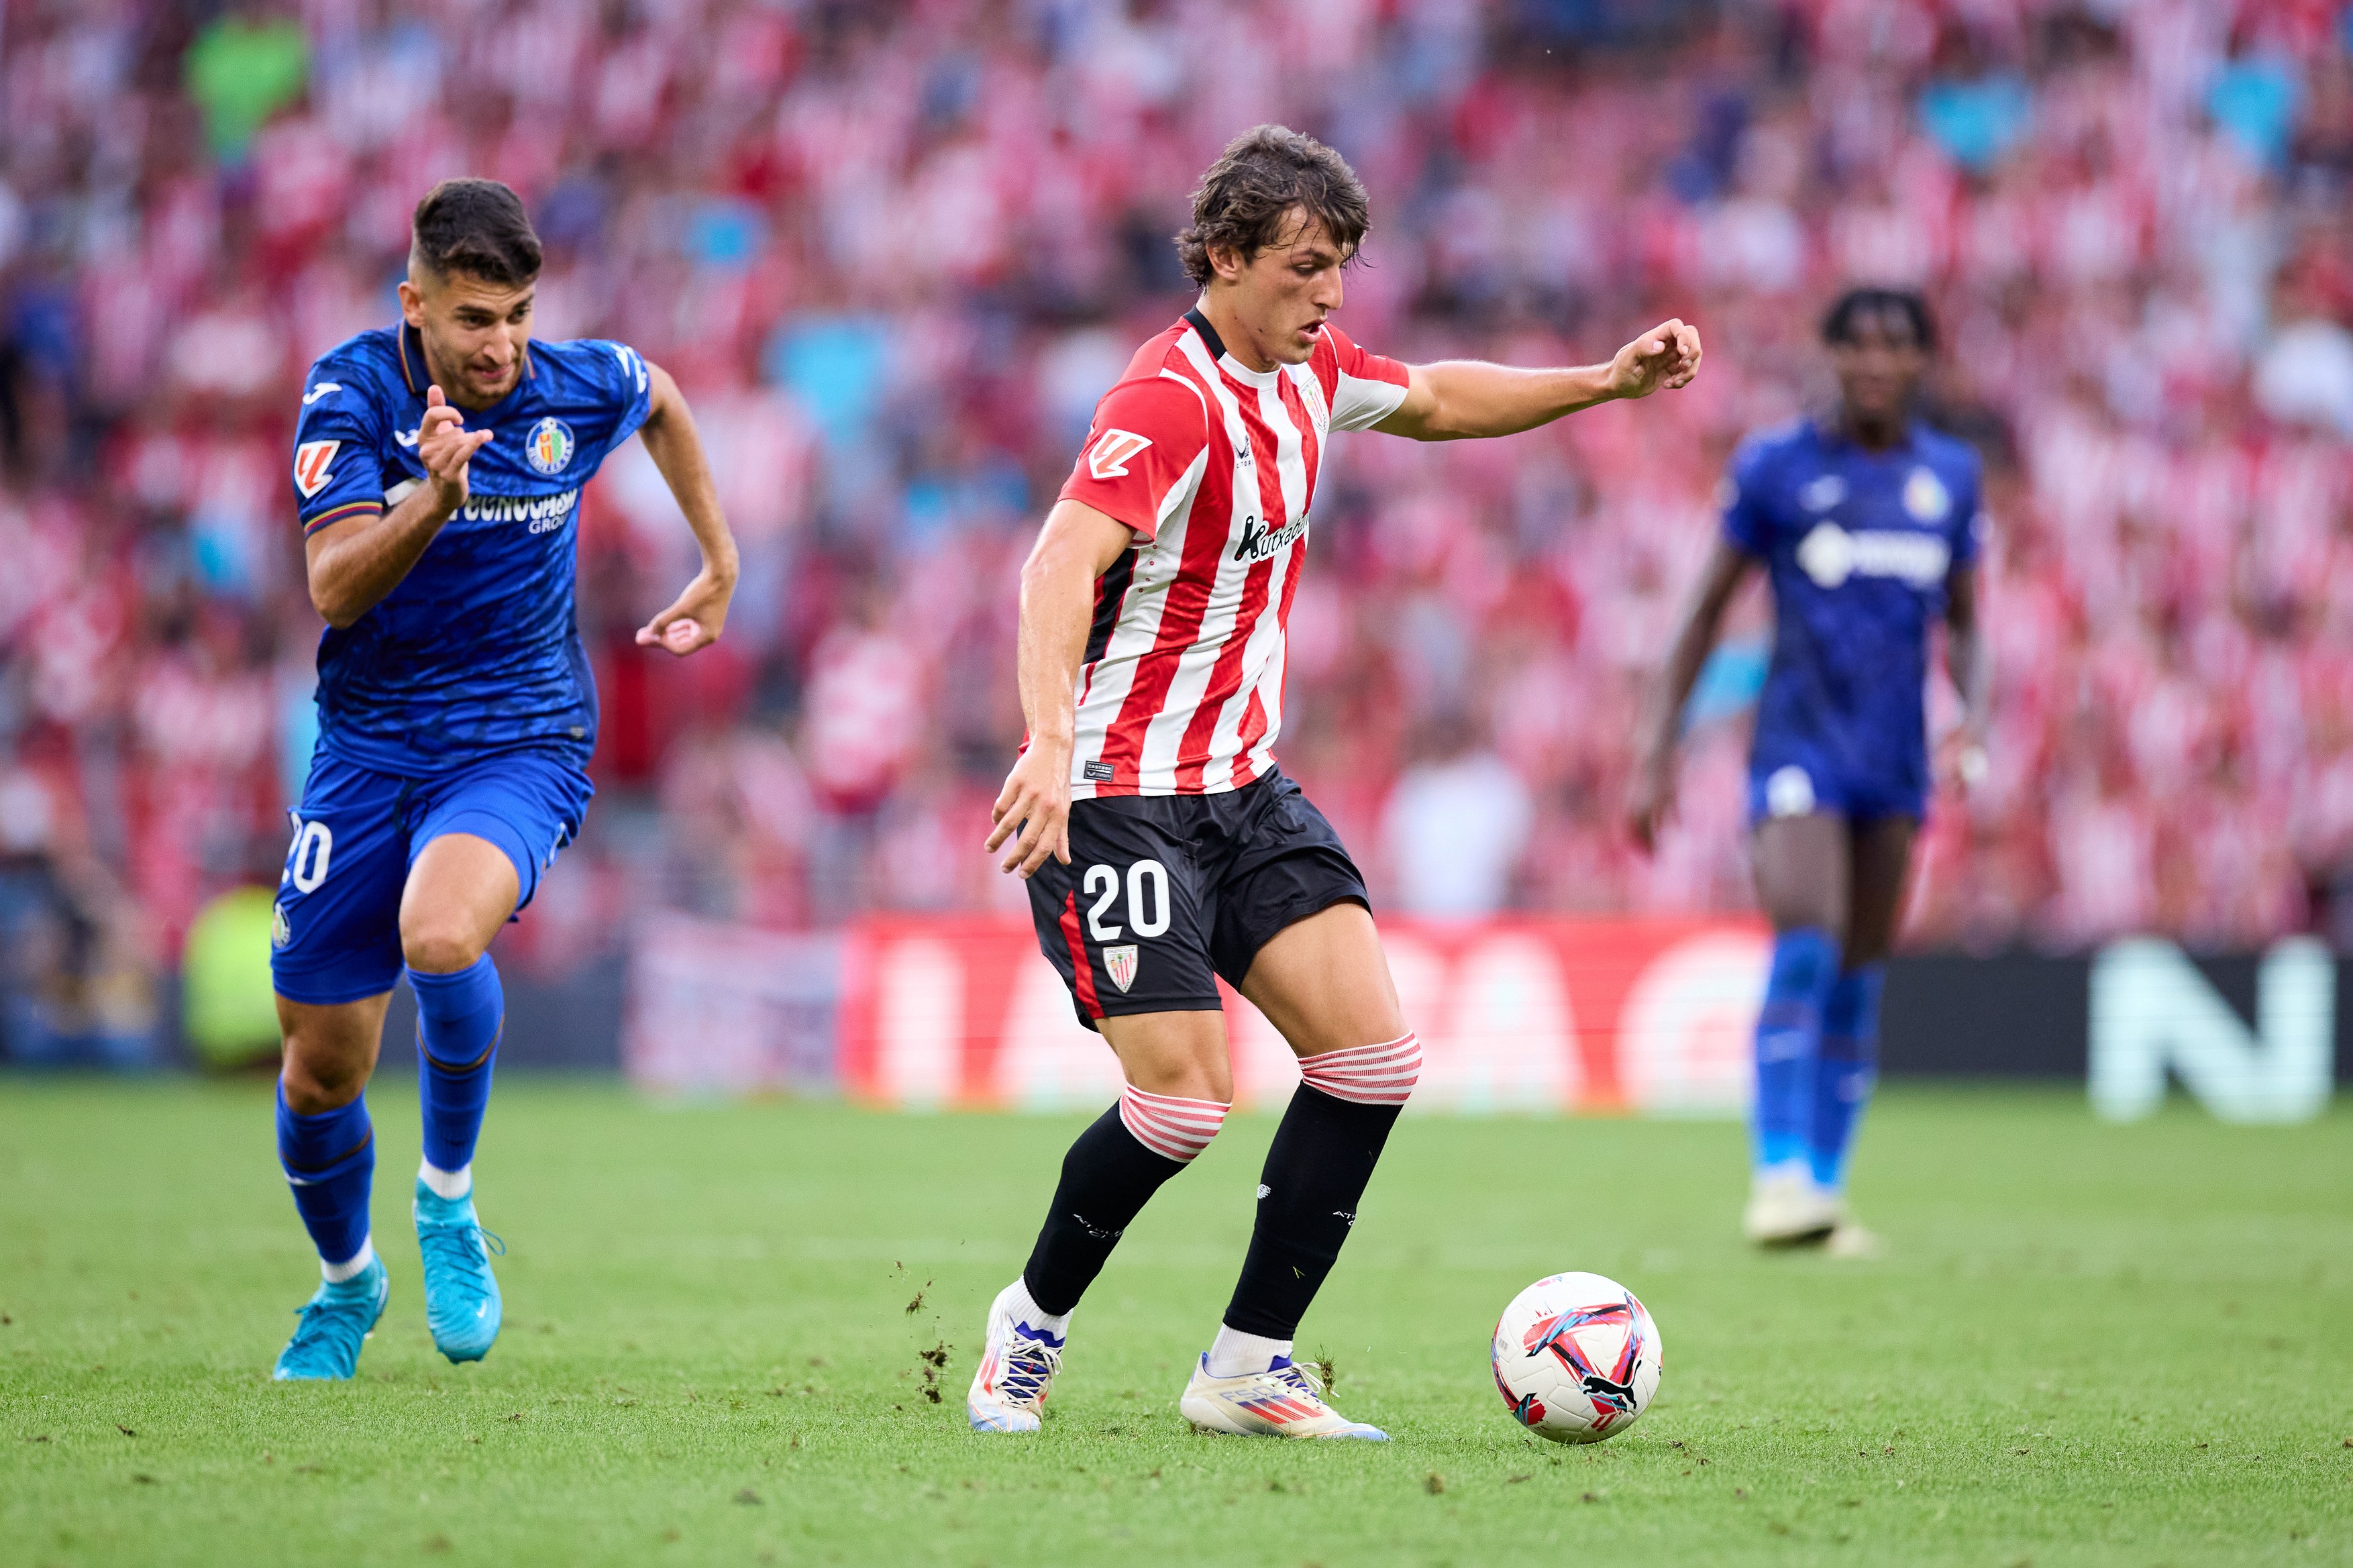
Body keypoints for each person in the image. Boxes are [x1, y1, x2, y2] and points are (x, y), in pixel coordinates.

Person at [970, 124, 1701, 1439]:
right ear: (1224, 257)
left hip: (1242, 788)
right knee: (1183, 1102)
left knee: (1370, 1059)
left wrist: (1601, 379)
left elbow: (1432, 400)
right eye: (1305, 268)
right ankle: (1027, 1325)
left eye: (1340, 268)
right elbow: (1056, 565)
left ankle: (1245, 1366)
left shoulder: (1314, 375)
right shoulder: (1165, 398)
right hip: (1119, 797)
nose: (1328, 295)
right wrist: (1047, 742)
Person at [267, 178, 737, 1379]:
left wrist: (718, 556)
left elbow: (665, 398)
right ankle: (344, 1285)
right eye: (476, 317)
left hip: (519, 741)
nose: (503, 344)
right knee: (322, 1064)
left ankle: (446, 1199)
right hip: (368, 747)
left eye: (519, 312)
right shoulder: (352, 392)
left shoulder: (572, 385)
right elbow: (332, 588)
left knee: (439, 935)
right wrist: (435, 496)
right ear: (414, 303)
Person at [1628, 285, 1989, 1255]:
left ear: (1921, 362)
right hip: (1798, 746)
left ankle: (1823, 1191)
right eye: (1858, 344)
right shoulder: (1778, 469)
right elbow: (1704, 612)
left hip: (1896, 757)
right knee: (1808, 938)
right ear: (1831, 354)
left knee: (1861, 973)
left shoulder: (1949, 476)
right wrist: (1655, 747)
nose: (1875, 361)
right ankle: (1777, 1175)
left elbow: (1964, 618)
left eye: (1895, 345)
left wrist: (1974, 713)